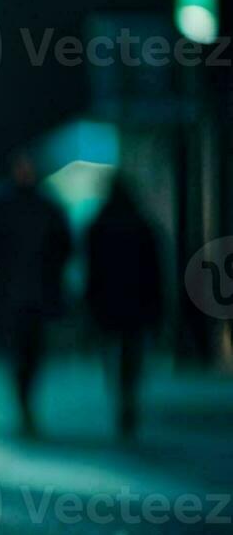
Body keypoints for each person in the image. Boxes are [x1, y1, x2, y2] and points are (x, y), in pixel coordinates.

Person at [0, 152, 71, 437]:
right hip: (14, 296)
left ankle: (26, 404)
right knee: (20, 353)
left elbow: (63, 248)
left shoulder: (43, 207)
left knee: (32, 354)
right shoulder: (7, 208)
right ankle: (24, 406)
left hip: (33, 295)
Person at [85, 177, 162, 439]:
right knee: (132, 354)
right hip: (136, 302)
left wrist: (90, 304)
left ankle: (120, 395)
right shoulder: (142, 226)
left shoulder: (97, 226)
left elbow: (92, 271)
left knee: (111, 354)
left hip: (108, 304)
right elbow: (155, 271)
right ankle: (128, 395)